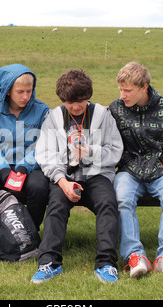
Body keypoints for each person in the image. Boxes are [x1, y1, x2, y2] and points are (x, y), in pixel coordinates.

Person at [31, 69, 124, 284]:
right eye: (69, 102)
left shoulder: (104, 115)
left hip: (97, 175)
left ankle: (106, 264)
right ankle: (49, 263)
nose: (75, 106)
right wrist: (62, 182)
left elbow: (115, 151)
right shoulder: (53, 118)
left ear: (88, 97)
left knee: (108, 204)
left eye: (80, 101)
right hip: (65, 177)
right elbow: (46, 154)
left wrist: (91, 152)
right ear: (62, 99)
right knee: (56, 206)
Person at [109, 62, 163, 278]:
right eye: (120, 89)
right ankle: (135, 256)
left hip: (162, 171)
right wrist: (127, 161)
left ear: (144, 87)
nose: (122, 95)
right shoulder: (115, 108)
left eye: (127, 90)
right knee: (121, 200)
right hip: (128, 170)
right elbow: (109, 145)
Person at [0, 64, 50, 250]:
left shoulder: (42, 111)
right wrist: (4, 170)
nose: (26, 97)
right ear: (7, 91)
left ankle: (30, 235)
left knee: (39, 186)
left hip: (31, 166)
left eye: (29, 91)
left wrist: (24, 167)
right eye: (20, 91)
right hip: (0, 165)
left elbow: (44, 145)